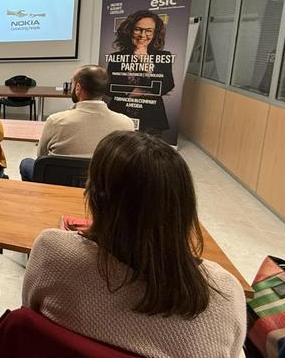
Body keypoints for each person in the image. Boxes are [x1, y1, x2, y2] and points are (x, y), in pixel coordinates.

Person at [22, 131, 246, 358]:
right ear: (183, 207)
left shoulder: (51, 250)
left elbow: (29, 318)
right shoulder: (225, 294)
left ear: (96, 196)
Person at [19, 65, 133, 181]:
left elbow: (41, 156)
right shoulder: (126, 124)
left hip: (59, 183)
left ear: (78, 88)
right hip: (102, 187)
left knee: (26, 163)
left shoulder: (56, 121)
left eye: (72, 83)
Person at [104, 10, 175, 137]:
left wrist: (146, 62)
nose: (143, 35)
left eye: (149, 30)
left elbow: (166, 86)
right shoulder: (116, 57)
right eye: (138, 29)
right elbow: (107, 87)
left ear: (155, 34)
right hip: (120, 115)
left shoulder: (164, 56)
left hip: (151, 119)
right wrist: (130, 93)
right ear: (129, 30)